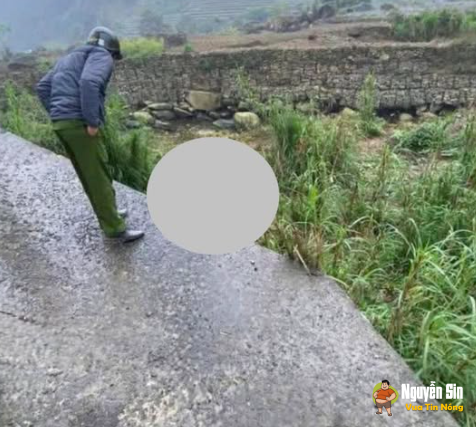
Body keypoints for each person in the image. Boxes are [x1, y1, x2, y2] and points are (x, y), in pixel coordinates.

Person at [36, 27, 144, 243]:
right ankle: (115, 229)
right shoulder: (101, 55)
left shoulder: (70, 57)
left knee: (88, 175)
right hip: (79, 124)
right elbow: (89, 82)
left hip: (62, 124)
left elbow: (43, 87)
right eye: (114, 56)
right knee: (98, 175)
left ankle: (110, 215)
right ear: (110, 49)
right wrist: (91, 121)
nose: (112, 61)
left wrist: (58, 113)